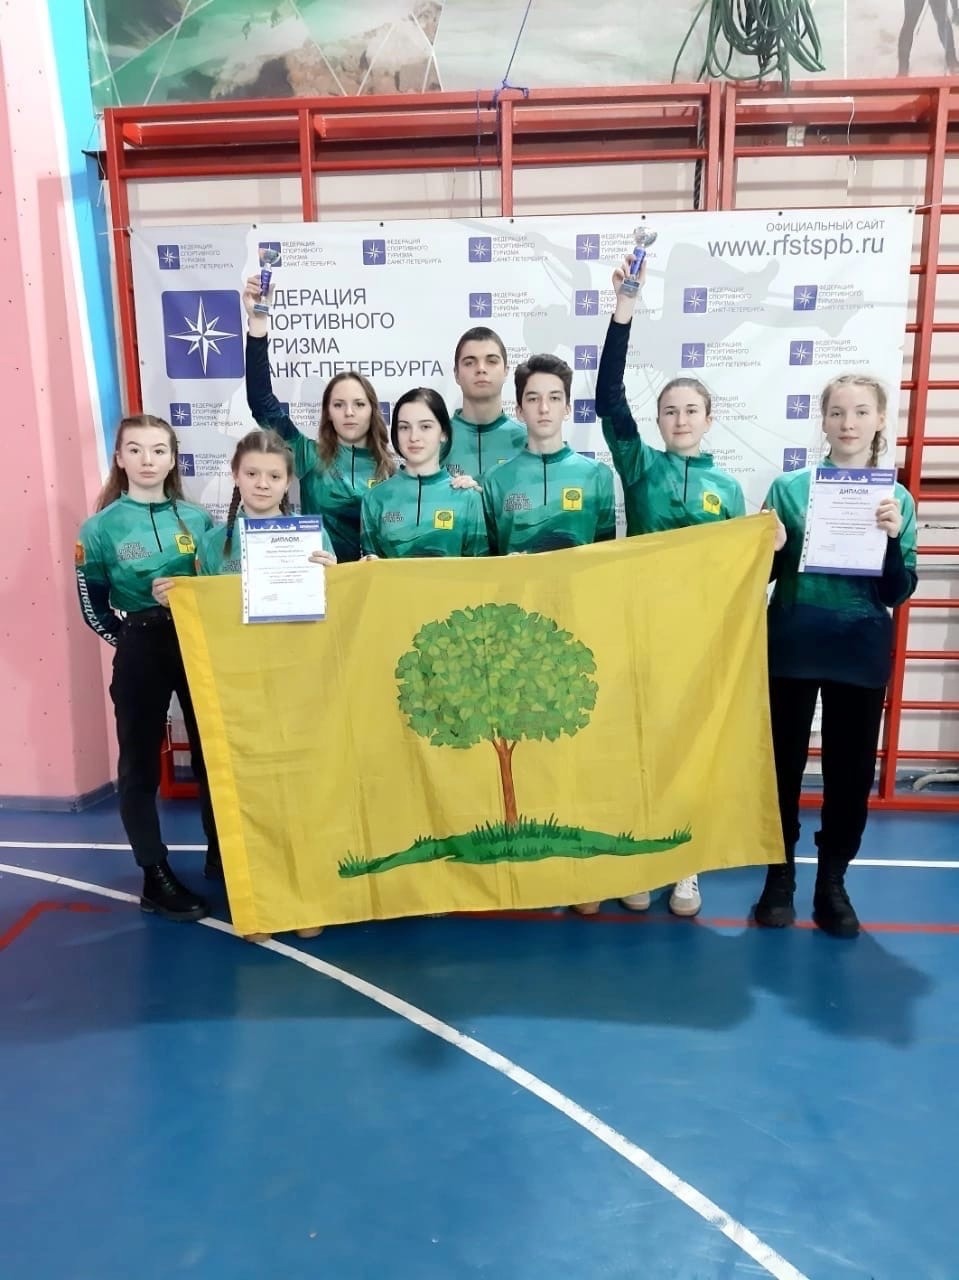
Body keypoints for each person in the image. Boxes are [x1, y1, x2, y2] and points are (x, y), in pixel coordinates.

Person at [585, 256, 758, 919]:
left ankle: (685, 866)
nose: (680, 419)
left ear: (709, 419)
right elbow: (607, 397)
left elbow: (741, 575)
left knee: (690, 750)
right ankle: (638, 860)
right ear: (657, 420)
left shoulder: (728, 490)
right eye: (669, 411)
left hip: (702, 643)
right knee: (637, 747)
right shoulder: (639, 466)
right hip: (641, 633)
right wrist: (623, 310)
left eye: (691, 410)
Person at [753, 374, 918, 937]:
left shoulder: (896, 499)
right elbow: (761, 577)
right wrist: (770, 548)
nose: (849, 423)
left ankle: (832, 883)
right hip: (793, 644)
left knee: (849, 775)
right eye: (838, 412)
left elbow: (896, 591)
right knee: (781, 770)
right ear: (823, 420)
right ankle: (778, 878)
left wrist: (891, 541)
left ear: (880, 420)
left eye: (861, 412)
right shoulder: (789, 489)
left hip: (859, 649)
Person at [158, 428, 336, 944]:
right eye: (252, 473)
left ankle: (306, 898)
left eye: (273, 475)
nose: (262, 483)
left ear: (288, 482)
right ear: (236, 476)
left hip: (297, 684)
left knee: (302, 794)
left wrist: (335, 576)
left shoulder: (313, 538)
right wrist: (176, 595)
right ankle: (258, 904)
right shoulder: (213, 544)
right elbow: (204, 615)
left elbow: (334, 611)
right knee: (247, 797)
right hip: (238, 690)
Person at [74, 414, 218, 922]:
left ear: (173, 458)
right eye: (135, 450)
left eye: (158, 450)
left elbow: (219, 584)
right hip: (141, 646)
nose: (147, 460)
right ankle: (154, 875)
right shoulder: (99, 528)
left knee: (213, 755)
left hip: (198, 645)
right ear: (120, 458)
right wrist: (131, 641)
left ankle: (222, 854)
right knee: (139, 764)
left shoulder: (198, 520)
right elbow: (92, 606)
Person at [243, 275, 395, 561]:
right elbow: (261, 402)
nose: (349, 412)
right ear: (328, 413)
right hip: (319, 578)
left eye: (358, 404)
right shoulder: (309, 454)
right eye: (338, 404)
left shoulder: (390, 469)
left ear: (373, 410)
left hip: (374, 582)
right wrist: (257, 323)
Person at [482, 354, 616, 554]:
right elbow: (487, 562)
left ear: (567, 408)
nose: (544, 408)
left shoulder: (597, 475)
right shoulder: (496, 479)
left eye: (554, 398)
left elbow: (605, 557)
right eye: (533, 399)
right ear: (519, 411)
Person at [361, 389, 489, 558]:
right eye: (404, 427)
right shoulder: (375, 499)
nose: (414, 437)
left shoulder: (467, 498)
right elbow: (370, 568)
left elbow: (479, 569)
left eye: (425, 426)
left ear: (444, 433)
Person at [445, 326, 526, 479]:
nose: (481, 369)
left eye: (491, 361)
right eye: (469, 363)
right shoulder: (437, 439)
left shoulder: (526, 440)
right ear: (456, 374)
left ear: (506, 371)